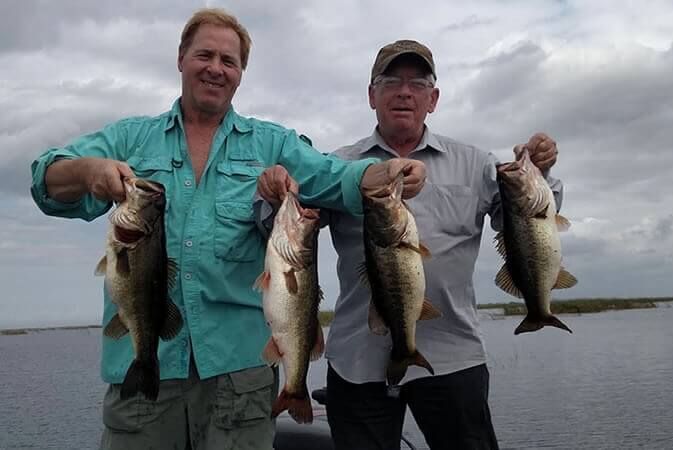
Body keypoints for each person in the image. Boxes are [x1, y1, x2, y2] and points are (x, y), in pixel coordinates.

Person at [29, 10, 425, 450]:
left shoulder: (271, 143)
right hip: (144, 376)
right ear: (181, 58)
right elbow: (46, 180)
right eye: (205, 55)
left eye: (229, 61)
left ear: (240, 75)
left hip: (239, 380)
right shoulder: (130, 139)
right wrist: (88, 170)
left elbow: (338, 178)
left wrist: (388, 172)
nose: (216, 68)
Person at [322, 40, 563, 450]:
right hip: (356, 358)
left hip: (454, 354)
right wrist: (278, 187)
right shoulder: (336, 167)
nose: (404, 91)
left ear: (432, 99)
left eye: (417, 83)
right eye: (390, 81)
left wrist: (541, 174)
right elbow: (286, 225)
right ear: (371, 95)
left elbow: (525, 225)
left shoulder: (477, 163)